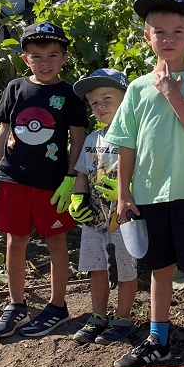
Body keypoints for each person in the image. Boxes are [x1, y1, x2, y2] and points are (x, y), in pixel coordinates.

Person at [105, 0, 184, 367]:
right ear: (147, 37)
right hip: (148, 196)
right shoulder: (138, 89)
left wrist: (174, 95)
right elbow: (125, 142)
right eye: (160, 31)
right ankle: (159, 337)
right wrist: (124, 193)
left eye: (178, 31)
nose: (168, 38)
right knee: (158, 270)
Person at [0, 22, 88, 339]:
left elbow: (78, 136)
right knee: (15, 241)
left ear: (64, 58)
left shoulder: (68, 94)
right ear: (25, 58)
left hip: (52, 183)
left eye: (52, 55)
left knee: (56, 241)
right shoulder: (15, 88)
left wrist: (71, 176)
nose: (45, 62)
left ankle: (57, 305)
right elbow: (4, 130)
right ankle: (16, 303)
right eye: (36, 56)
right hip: (12, 177)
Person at [68, 69, 139, 345]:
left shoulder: (135, 137)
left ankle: (122, 318)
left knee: (125, 268)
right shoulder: (91, 140)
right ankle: (98, 315)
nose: (100, 106)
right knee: (96, 267)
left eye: (107, 98)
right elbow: (83, 173)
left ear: (127, 100)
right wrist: (78, 199)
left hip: (124, 219)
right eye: (94, 102)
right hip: (94, 219)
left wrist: (129, 192)